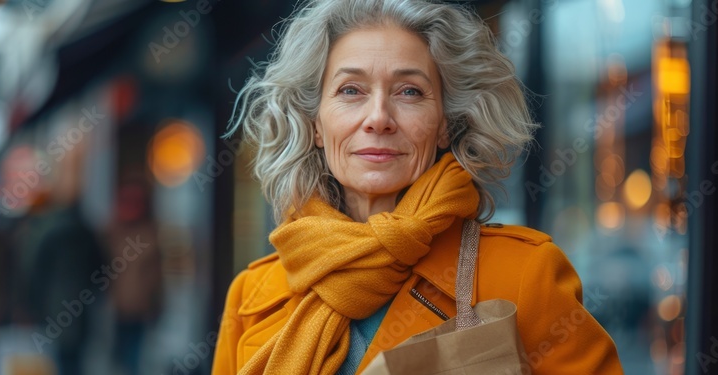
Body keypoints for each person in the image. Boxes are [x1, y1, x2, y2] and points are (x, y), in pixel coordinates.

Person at [212, 0, 624, 374]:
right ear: (316, 124)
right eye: (350, 90)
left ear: (445, 124)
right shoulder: (251, 296)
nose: (378, 117)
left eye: (409, 91)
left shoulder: (526, 278)